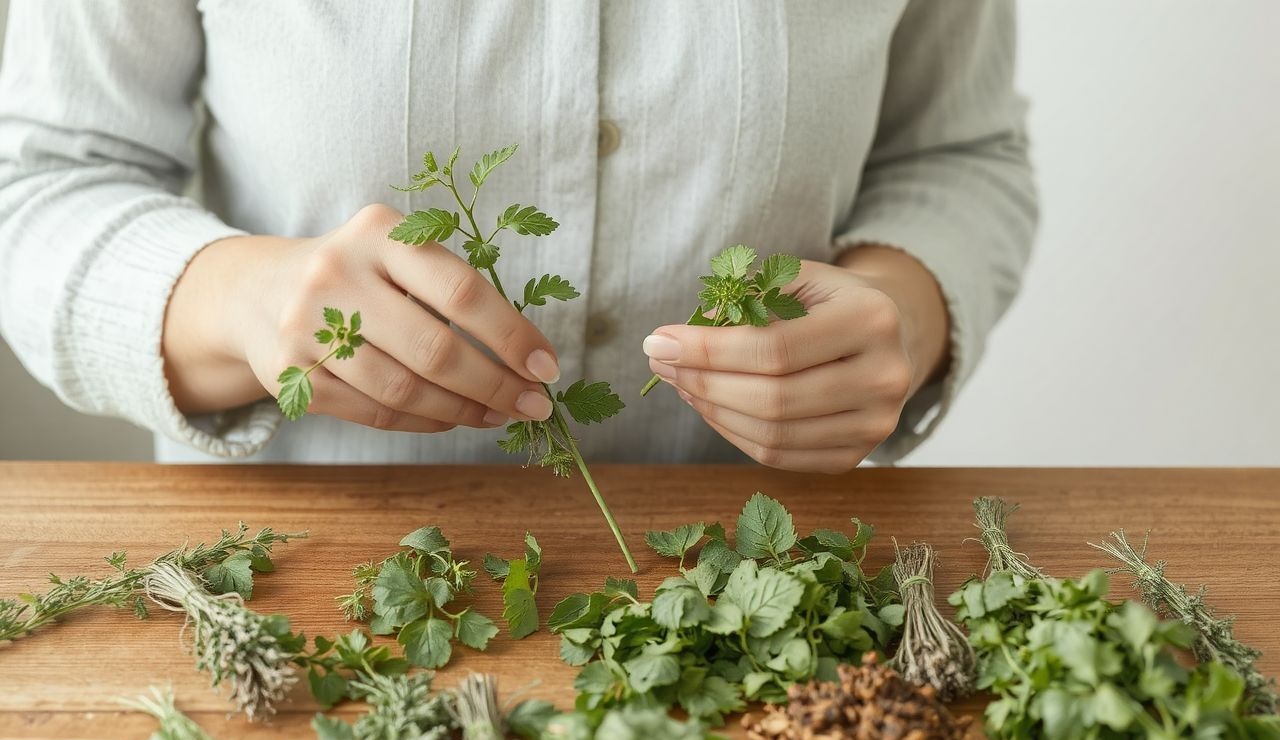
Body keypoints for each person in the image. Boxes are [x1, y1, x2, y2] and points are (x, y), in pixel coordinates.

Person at [0, 1, 1036, 472]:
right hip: (302, 599)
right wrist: (242, 300)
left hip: (766, 603)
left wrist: (902, 310)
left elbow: (955, 152)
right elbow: (40, 182)